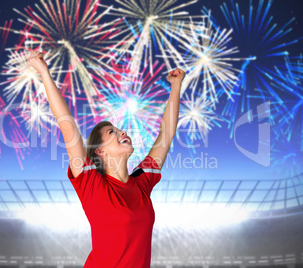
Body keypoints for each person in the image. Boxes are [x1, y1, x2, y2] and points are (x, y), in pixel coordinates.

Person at [27, 51, 186, 268]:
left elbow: (166, 135)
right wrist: (44, 71)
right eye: (112, 132)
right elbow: (66, 124)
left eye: (120, 130)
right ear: (100, 151)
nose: (122, 132)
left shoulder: (141, 182)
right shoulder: (91, 183)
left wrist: (176, 86)